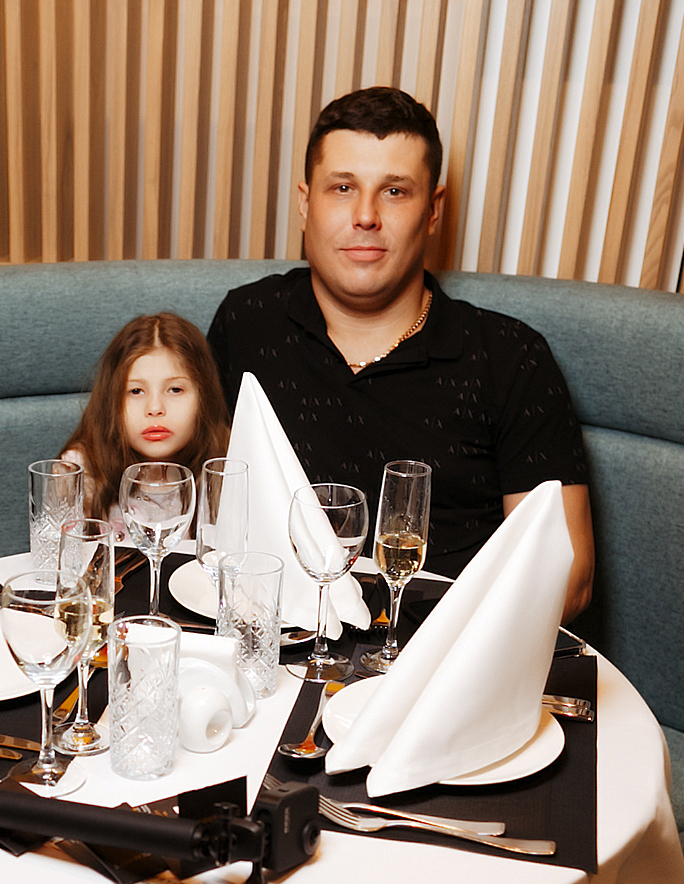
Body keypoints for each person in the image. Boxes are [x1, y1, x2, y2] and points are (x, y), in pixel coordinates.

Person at [205, 86, 596, 618]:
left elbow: (569, 579)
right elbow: (195, 497)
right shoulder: (247, 321)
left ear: (433, 210)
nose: (365, 215)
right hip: (272, 639)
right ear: (305, 203)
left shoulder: (511, 358)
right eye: (343, 187)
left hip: (443, 652)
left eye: (394, 191)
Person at [58, 311, 230, 523]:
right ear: (111, 402)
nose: (155, 408)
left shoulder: (229, 464)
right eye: (136, 391)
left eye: (175, 389)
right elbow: (58, 542)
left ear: (204, 398)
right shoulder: (80, 472)